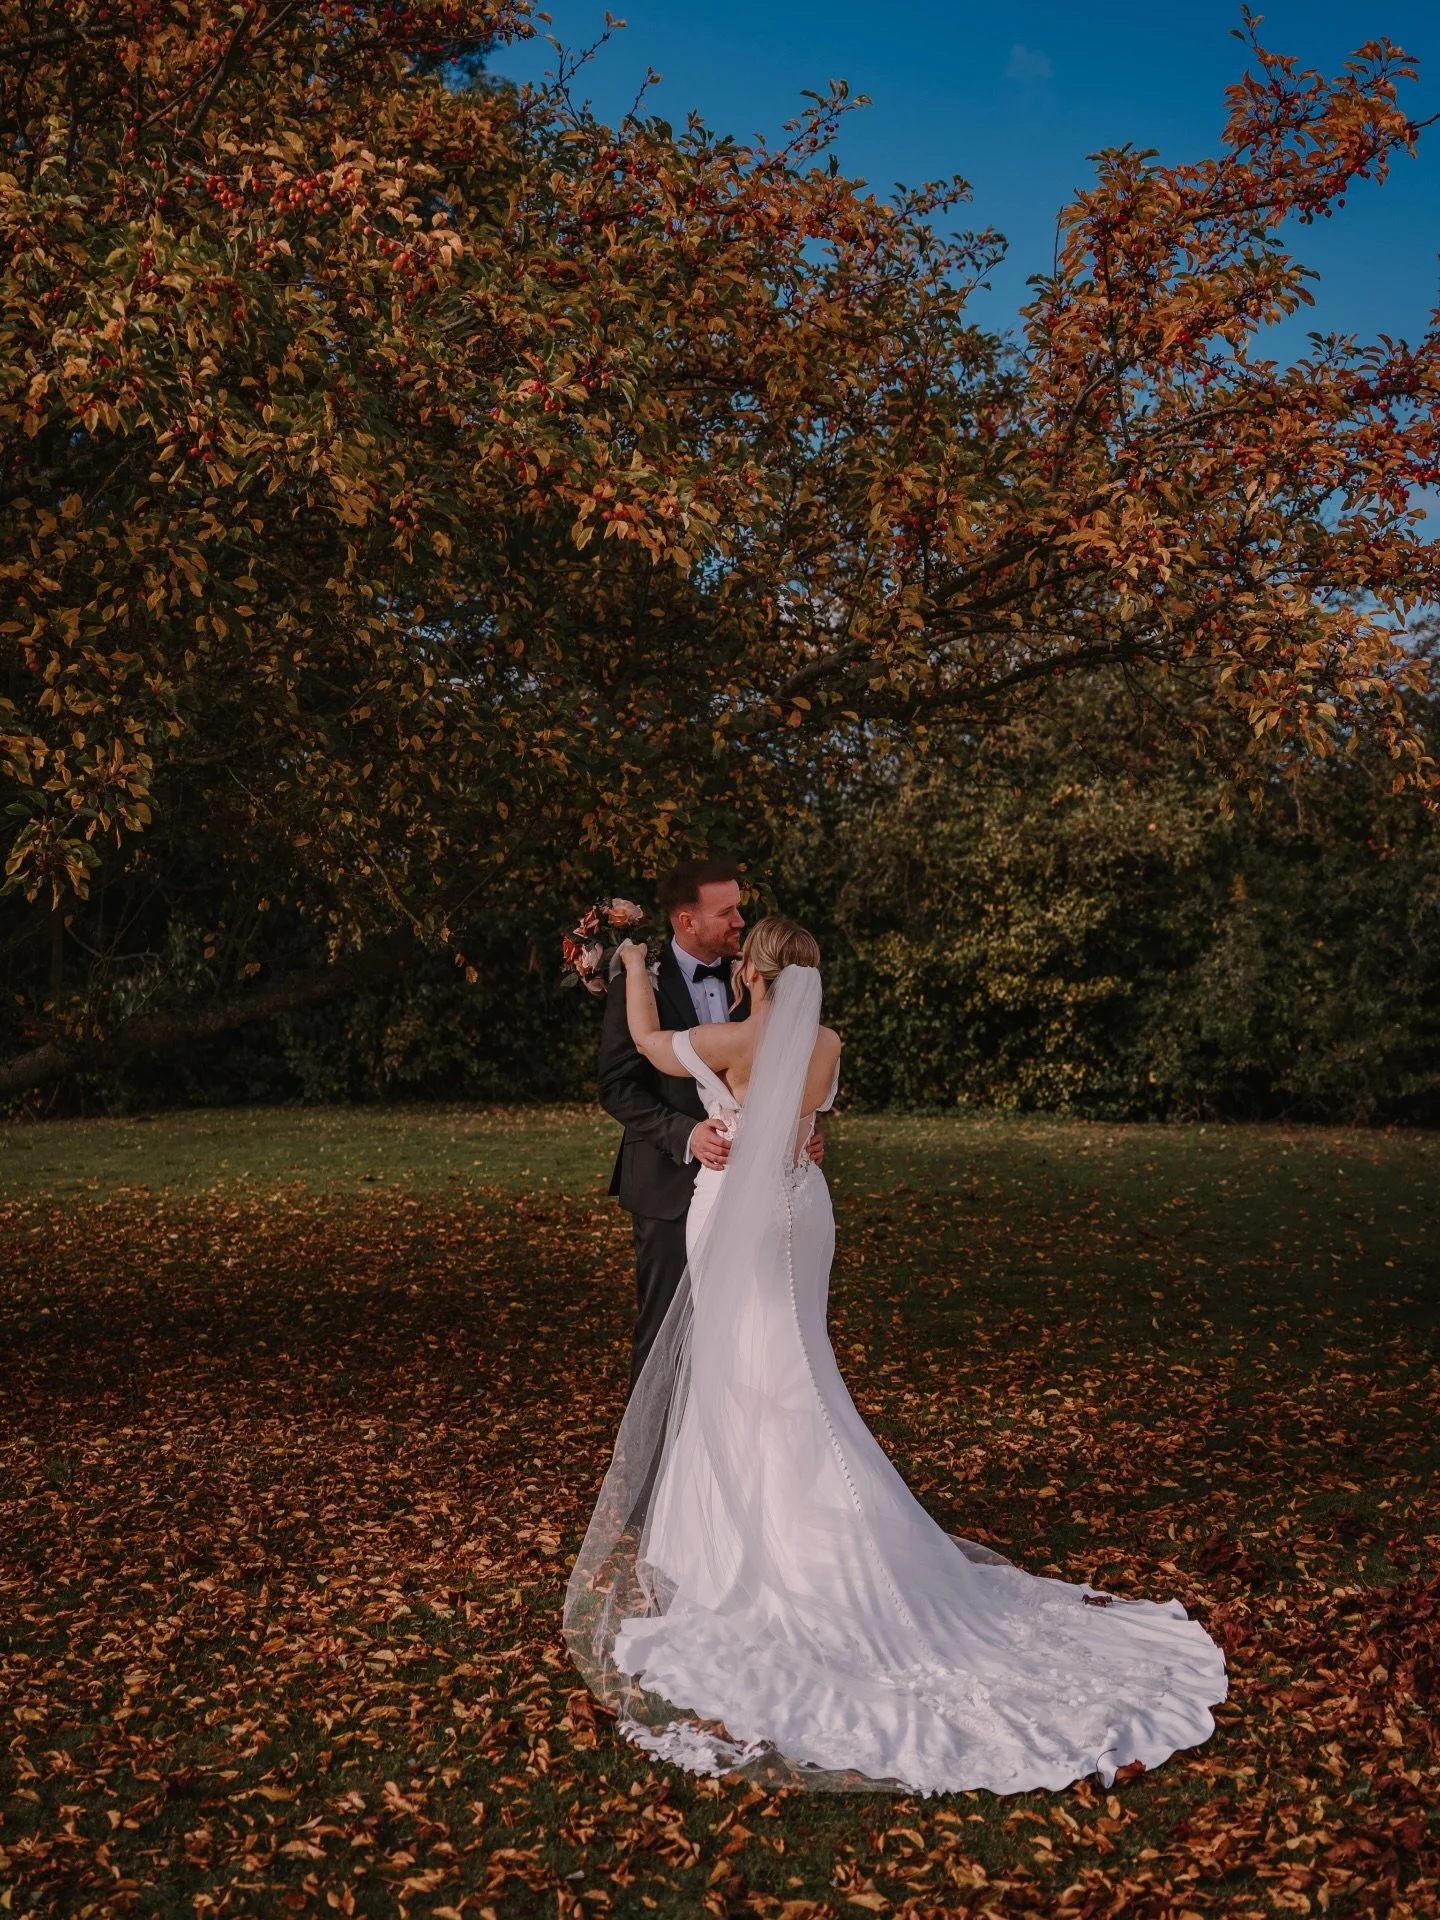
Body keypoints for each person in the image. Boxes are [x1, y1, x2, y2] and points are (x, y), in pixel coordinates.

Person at [566, 917, 1228, 1797]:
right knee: (796, 1360)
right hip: (806, 1214)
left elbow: (647, 1041)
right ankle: (786, 1530)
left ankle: (777, 1548)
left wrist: (633, 961)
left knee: (750, 1372)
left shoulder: (735, 1037)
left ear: (754, 975)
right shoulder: (827, 1042)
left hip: (741, 1216)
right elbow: (808, 1122)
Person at [596, 858, 820, 1387]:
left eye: (740, 908)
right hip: (670, 1187)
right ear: (686, 921)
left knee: (752, 1329)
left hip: (761, 1190)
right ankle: (656, 1469)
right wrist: (687, 1134)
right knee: (664, 1336)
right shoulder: (641, 985)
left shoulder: (765, 977)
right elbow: (617, 1086)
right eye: (728, 912)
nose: (741, 921)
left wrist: (802, 1129)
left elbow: (788, 1069)